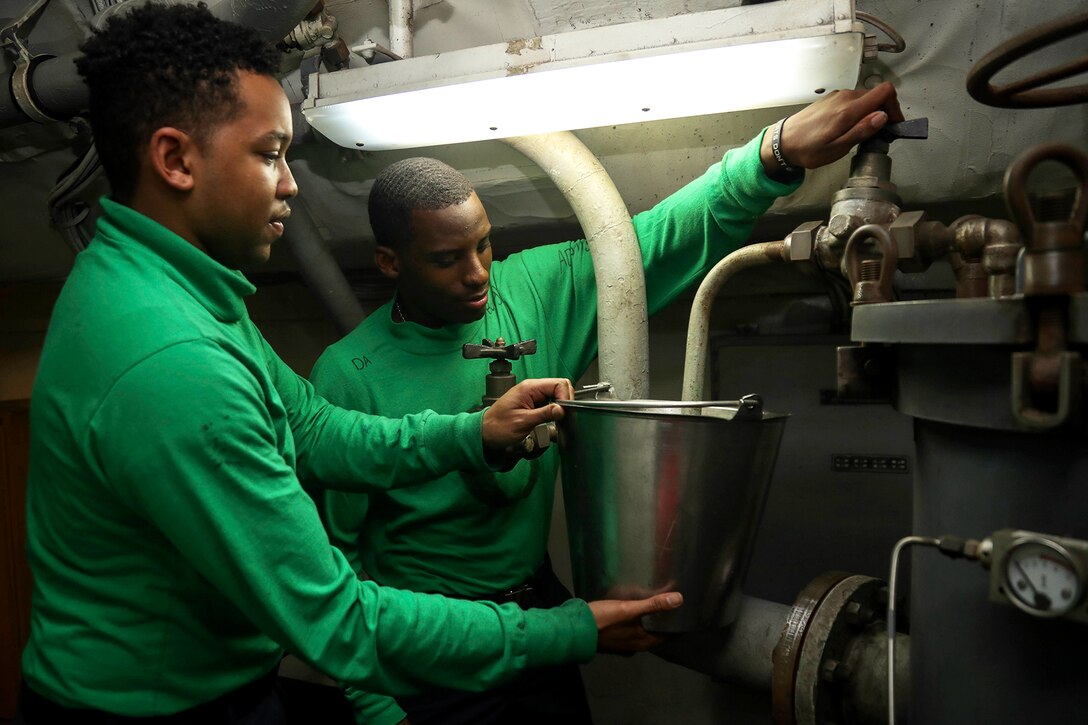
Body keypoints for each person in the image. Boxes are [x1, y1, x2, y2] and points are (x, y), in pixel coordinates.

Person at [15, 4, 683, 724]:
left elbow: (318, 431)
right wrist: (571, 629)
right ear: (176, 159)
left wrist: (471, 434)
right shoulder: (170, 359)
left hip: (201, 683)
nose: (292, 183)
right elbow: (336, 620)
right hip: (153, 710)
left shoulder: (172, 284)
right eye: (269, 153)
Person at [309, 81, 904, 723]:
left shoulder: (534, 288)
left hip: (539, 614)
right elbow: (333, 561)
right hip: (425, 649)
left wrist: (775, 152)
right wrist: (375, 708)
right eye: (447, 259)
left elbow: (655, 238)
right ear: (389, 263)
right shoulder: (349, 375)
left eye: (484, 244)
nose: (479, 273)